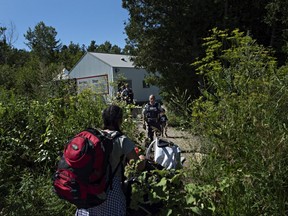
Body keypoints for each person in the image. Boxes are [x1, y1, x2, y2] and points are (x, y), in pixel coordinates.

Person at [76, 105, 146, 216]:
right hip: (110, 192)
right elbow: (139, 166)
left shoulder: (93, 137)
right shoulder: (122, 140)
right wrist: (142, 158)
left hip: (88, 192)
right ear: (119, 120)